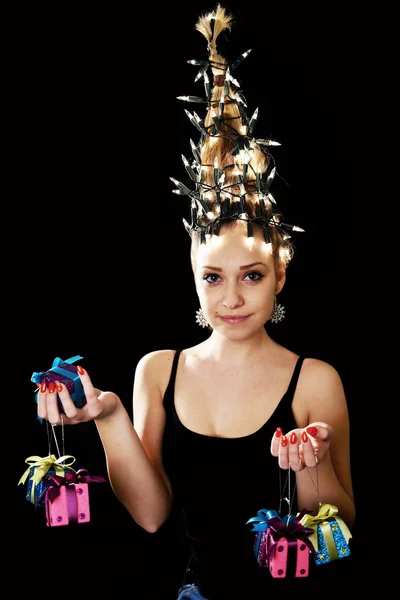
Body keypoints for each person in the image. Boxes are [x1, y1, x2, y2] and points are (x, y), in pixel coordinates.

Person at [36, 4, 355, 599]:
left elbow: (341, 533)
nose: (231, 297)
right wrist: (108, 417)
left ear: (280, 274)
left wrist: (311, 463)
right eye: (212, 278)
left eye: (252, 275)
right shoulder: (158, 371)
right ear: (192, 275)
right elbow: (152, 515)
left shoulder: (315, 379)